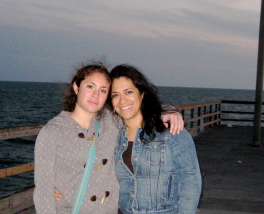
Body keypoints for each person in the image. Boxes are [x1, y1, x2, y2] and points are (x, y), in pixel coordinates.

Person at [33, 62, 184, 214]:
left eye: (103, 90)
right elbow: (43, 190)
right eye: (90, 86)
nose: (96, 95)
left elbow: (137, 110)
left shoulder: (112, 121)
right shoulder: (52, 132)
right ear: (76, 87)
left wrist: (167, 111)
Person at [109, 64, 202, 214]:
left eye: (128, 92)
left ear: (142, 94)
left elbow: (191, 181)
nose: (122, 100)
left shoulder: (169, 131)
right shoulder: (113, 134)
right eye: (115, 95)